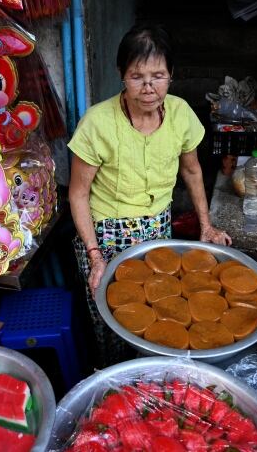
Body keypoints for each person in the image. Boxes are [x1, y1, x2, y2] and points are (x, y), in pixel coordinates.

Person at [68, 24, 231, 366]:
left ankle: (152, 382)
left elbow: (191, 171)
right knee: (111, 320)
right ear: (121, 75)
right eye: (136, 76)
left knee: (162, 313)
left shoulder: (181, 114)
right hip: (105, 235)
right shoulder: (97, 123)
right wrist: (96, 256)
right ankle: (114, 379)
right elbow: (78, 194)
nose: (148, 88)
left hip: (156, 230)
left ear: (171, 74)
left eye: (158, 76)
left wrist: (207, 226)